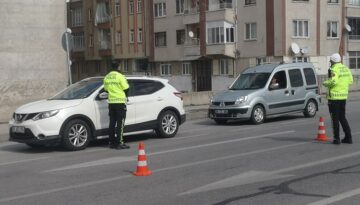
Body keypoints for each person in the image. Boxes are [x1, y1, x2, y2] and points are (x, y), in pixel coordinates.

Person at [323, 53, 353, 145]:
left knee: (334, 119)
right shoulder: (346, 69)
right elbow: (351, 80)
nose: (330, 63)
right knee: (342, 117)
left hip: (334, 98)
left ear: (332, 61)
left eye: (330, 61)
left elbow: (334, 81)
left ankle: (337, 139)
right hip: (343, 97)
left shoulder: (334, 69)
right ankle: (348, 137)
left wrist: (325, 83)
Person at [103, 61, 130, 149]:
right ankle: (119, 143)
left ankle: (111, 142)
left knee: (112, 123)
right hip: (120, 102)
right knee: (120, 124)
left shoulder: (107, 77)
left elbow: (106, 90)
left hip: (111, 103)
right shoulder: (120, 76)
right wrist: (126, 96)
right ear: (118, 67)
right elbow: (126, 88)